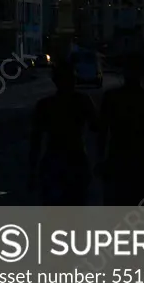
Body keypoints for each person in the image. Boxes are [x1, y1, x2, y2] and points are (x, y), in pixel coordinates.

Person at [29, 62, 98, 205]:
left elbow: (36, 139)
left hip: (56, 161)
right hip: (74, 159)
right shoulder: (82, 101)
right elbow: (97, 127)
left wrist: (32, 170)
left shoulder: (45, 105)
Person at [97, 52, 144, 206]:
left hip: (117, 158)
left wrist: (100, 160)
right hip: (138, 159)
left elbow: (102, 133)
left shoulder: (111, 97)